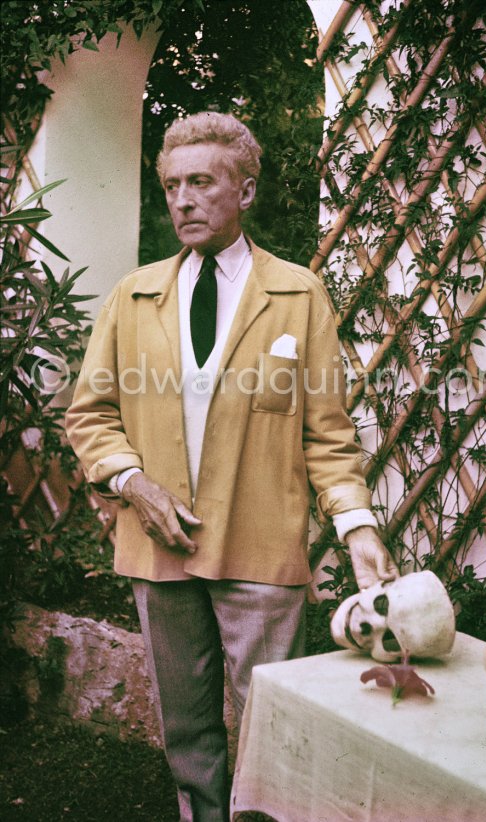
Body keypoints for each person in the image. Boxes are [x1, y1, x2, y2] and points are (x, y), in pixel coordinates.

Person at [65, 111, 398, 822]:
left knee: (270, 729)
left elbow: (328, 433)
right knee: (185, 732)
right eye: (171, 185)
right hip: (159, 547)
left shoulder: (298, 295)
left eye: (201, 183)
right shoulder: (133, 297)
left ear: (244, 190)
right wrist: (133, 483)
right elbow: (90, 414)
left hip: (260, 550)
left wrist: (358, 528)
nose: (182, 200)